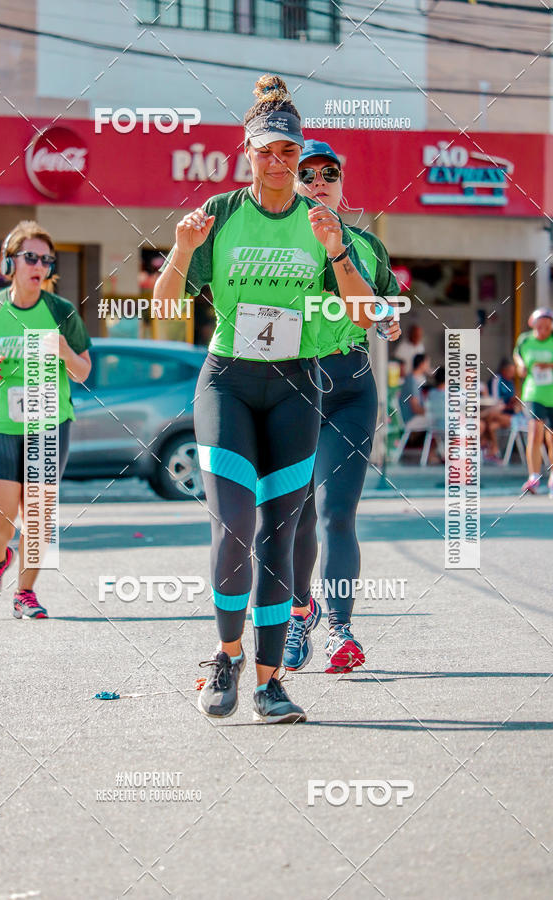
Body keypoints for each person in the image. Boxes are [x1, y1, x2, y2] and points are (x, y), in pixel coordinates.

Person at [154, 76, 375, 722]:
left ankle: (271, 682)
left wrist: (336, 251)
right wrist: (181, 249)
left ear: (300, 155)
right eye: (266, 151)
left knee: (279, 538)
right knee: (234, 530)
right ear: (245, 151)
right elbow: (166, 305)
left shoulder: (320, 224)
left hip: (293, 387)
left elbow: (362, 312)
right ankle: (226, 657)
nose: (278, 164)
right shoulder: (220, 215)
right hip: (227, 382)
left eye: (288, 153)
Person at [280, 138, 401, 674]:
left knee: (336, 513)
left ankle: (340, 628)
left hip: (350, 386)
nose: (319, 181)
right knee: (292, 516)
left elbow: (382, 303)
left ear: (342, 182)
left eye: (330, 173)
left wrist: (387, 317)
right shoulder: (274, 244)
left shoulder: (367, 244)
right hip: (290, 386)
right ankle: (296, 613)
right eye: (307, 173)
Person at [0, 221, 92, 617]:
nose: (39, 265)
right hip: (0, 420)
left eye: (46, 260)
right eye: (31, 257)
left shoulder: (61, 311)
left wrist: (64, 352)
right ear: (10, 262)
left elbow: (83, 371)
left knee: (36, 514)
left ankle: (25, 593)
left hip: (48, 419)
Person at [513, 308, 553, 495]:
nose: (543, 330)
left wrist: (549, 365)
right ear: (533, 324)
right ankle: (534, 477)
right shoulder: (525, 340)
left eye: (546, 326)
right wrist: (520, 366)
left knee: (551, 438)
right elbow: (518, 356)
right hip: (533, 393)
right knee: (535, 432)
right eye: (539, 327)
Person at [400, 352, 430, 427]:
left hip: (413, 418)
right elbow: (415, 408)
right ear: (421, 364)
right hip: (409, 420)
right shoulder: (412, 380)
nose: (428, 366)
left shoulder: (414, 378)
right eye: (427, 363)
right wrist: (431, 413)